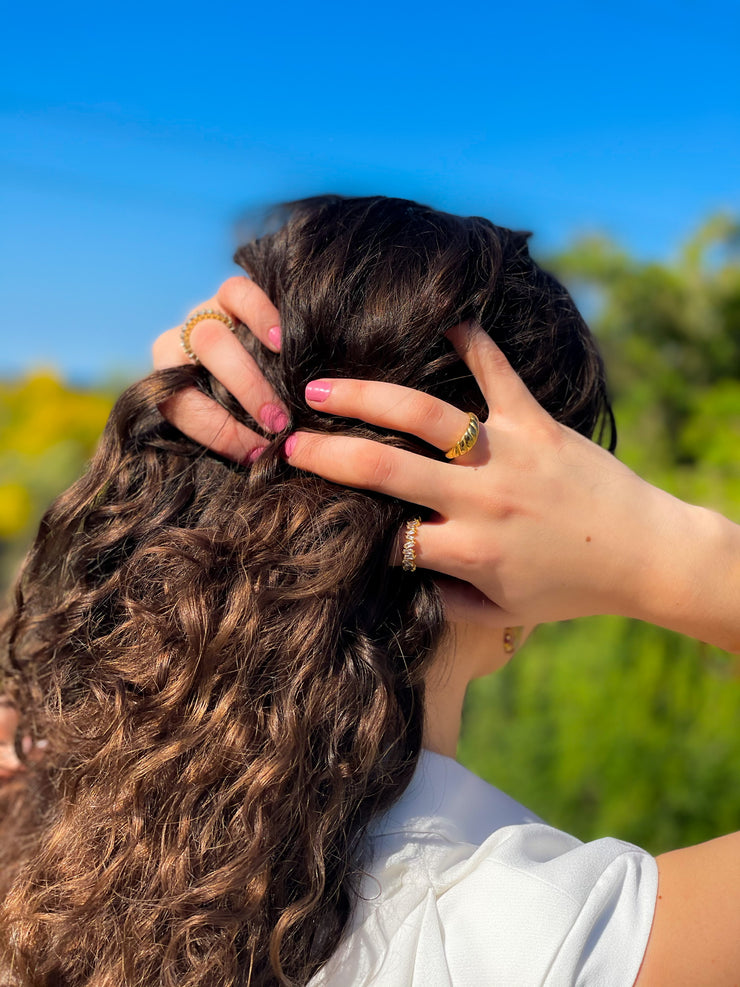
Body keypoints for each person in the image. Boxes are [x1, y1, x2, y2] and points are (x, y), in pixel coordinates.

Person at [1, 195, 738, 986]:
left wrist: (177, 439)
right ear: (513, 601)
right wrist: (668, 551)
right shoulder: (540, 937)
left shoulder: (48, 824)